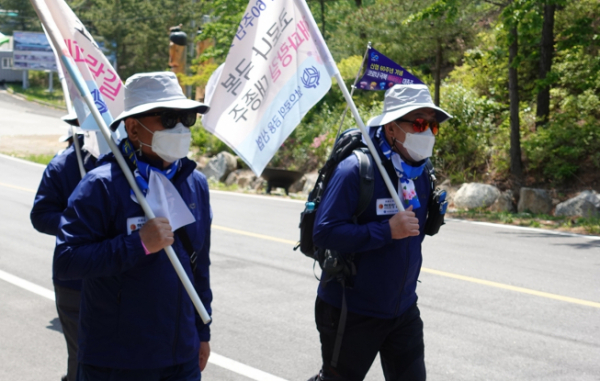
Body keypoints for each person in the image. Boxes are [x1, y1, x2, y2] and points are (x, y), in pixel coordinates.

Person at [54, 71, 212, 381]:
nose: (179, 128)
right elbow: (66, 261)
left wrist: (201, 331)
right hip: (117, 361)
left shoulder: (195, 183)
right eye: (168, 119)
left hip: (181, 358)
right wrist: (137, 244)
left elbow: (199, 265)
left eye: (186, 119)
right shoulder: (101, 185)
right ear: (133, 128)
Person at [309, 84, 452, 381]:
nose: (427, 133)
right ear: (391, 129)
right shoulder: (356, 170)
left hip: (403, 310)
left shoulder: (421, 173)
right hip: (352, 310)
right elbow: (323, 232)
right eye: (419, 123)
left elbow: (415, 233)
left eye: (432, 126)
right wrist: (385, 231)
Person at [30, 112, 97, 381]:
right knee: (83, 356)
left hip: (117, 279)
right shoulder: (63, 165)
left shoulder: (126, 161)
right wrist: (79, 223)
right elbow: (41, 215)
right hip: (75, 282)